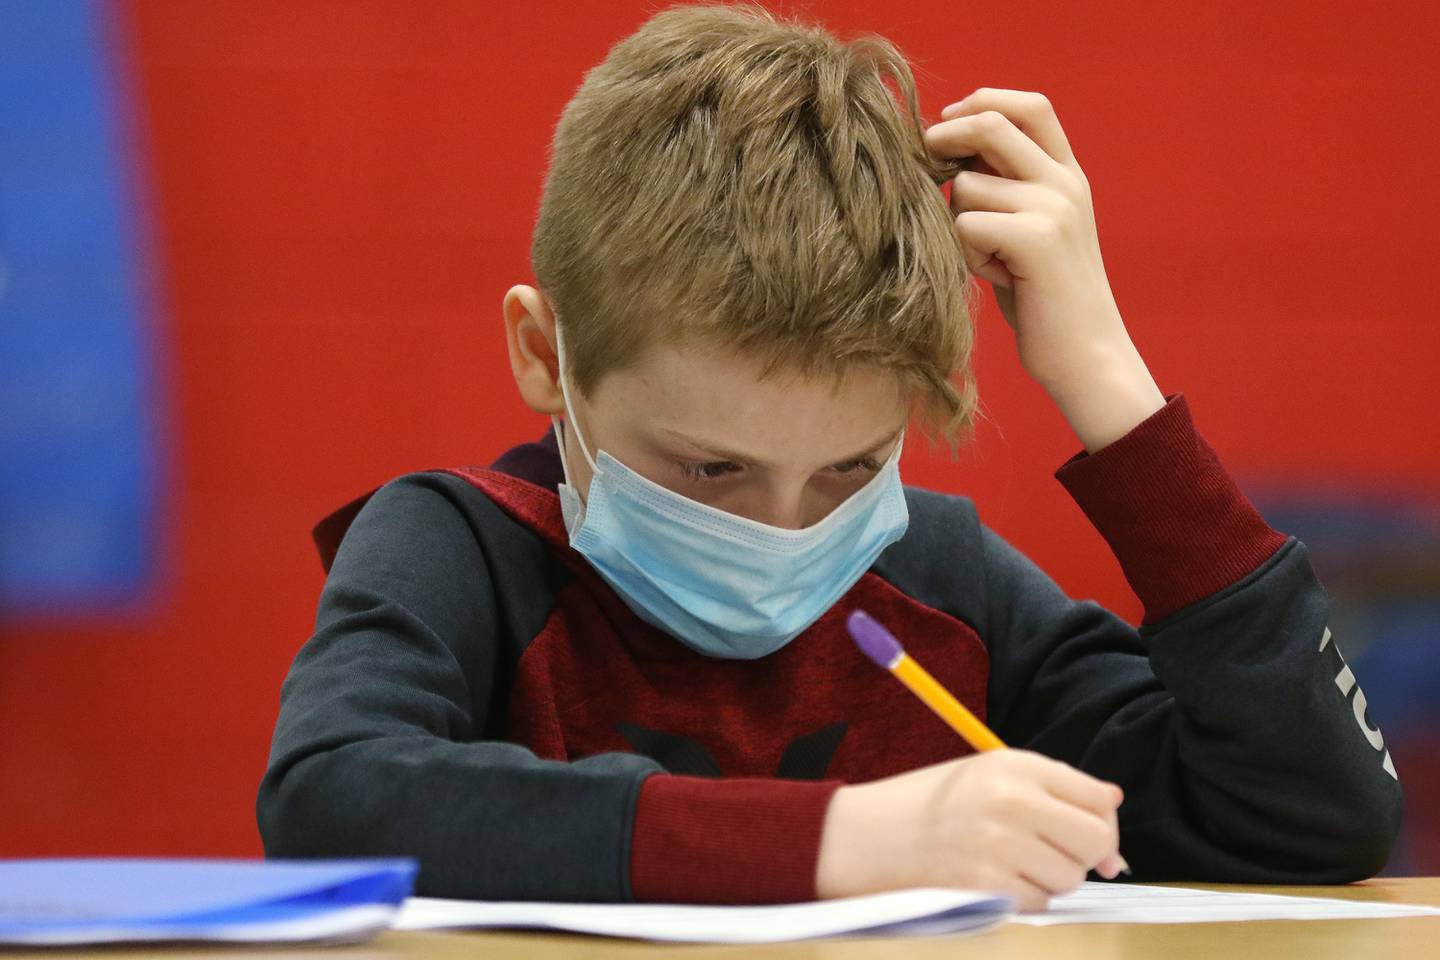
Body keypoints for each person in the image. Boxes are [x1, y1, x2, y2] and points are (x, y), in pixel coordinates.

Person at [256, 2, 1402, 910]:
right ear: (544, 354)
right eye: (711, 472)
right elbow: (331, 795)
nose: (783, 534)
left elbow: (1306, 818)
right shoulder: (463, 547)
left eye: (852, 470)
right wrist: (841, 840)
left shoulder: (944, 586)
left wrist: (1112, 389)